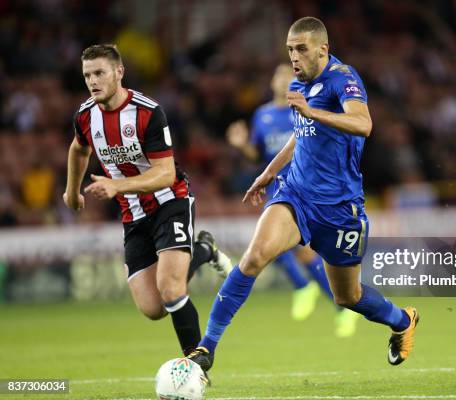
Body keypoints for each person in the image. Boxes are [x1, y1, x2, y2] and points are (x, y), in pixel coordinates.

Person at [188, 17, 419, 381]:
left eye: (301, 49)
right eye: (290, 50)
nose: (294, 57)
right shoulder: (300, 83)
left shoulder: (343, 78)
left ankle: (403, 320)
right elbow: (301, 135)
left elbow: (364, 123)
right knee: (253, 258)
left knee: (348, 297)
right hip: (295, 195)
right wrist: (268, 172)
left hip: (341, 207)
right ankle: (206, 348)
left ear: (322, 49)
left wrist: (313, 111)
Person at [63, 44, 232, 368]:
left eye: (99, 73)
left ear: (118, 72)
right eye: (87, 75)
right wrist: (72, 192)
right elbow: (78, 148)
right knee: (153, 308)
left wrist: (116, 185)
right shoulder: (85, 115)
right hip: (133, 215)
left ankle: (196, 365)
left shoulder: (147, 112)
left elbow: (166, 174)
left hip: (170, 202)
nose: (93, 81)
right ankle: (204, 250)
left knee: (170, 290)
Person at [226, 63, 359, 336]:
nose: (284, 79)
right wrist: (241, 145)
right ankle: (324, 298)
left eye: (289, 74)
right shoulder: (261, 115)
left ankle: (315, 292)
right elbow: (258, 154)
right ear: (273, 81)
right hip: (277, 186)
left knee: (299, 251)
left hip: (306, 186)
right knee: (274, 247)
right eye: (279, 74)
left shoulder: (304, 108)